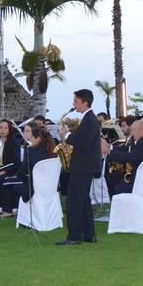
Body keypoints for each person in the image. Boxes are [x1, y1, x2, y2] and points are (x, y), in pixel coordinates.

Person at [57, 89, 101, 246]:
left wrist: (68, 136)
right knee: (84, 201)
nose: (74, 104)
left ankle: (74, 236)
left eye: (76, 101)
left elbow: (84, 144)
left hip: (83, 166)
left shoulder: (90, 119)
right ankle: (89, 234)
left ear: (85, 102)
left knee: (74, 201)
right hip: (85, 166)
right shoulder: (88, 118)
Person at [102, 118, 143, 195]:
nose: (132, 132)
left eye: (134, 130)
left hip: (139, 183)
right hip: (140, 178)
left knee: (112, 181)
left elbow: (129, 157)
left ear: (142, 130)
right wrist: (109, 147)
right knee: (111, 178)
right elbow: (126, 149)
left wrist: (108, 152)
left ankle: (118, 204)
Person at [8, 125, 57, 206]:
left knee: (8, 185)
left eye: (31, 138)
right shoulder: (52, 151)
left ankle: (11, 209)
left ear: (38, 139)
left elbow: (24, 171)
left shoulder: (31, 151)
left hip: (34, 186)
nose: (29, 140)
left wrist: (17, 176)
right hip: (50, 186)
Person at [0, 119, 22, 216]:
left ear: (9, 129)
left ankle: (7, 209)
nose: (3, 130)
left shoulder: (14, 142)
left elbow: (16, 163)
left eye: (5, 128)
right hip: (0, 168)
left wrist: (3, 172)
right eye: (1, 127)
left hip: (13, 170)